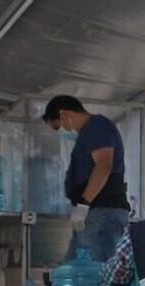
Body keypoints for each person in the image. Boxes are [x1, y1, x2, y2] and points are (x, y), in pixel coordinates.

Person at [42, 95, 131, 261]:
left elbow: (104, 165)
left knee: (97, 275)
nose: (62, 130)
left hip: (103, 211)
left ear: (64, 114)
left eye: (57, 126)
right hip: (93, 212)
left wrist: (84, 204)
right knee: (75, 273)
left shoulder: (97, 126)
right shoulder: (88, 133)